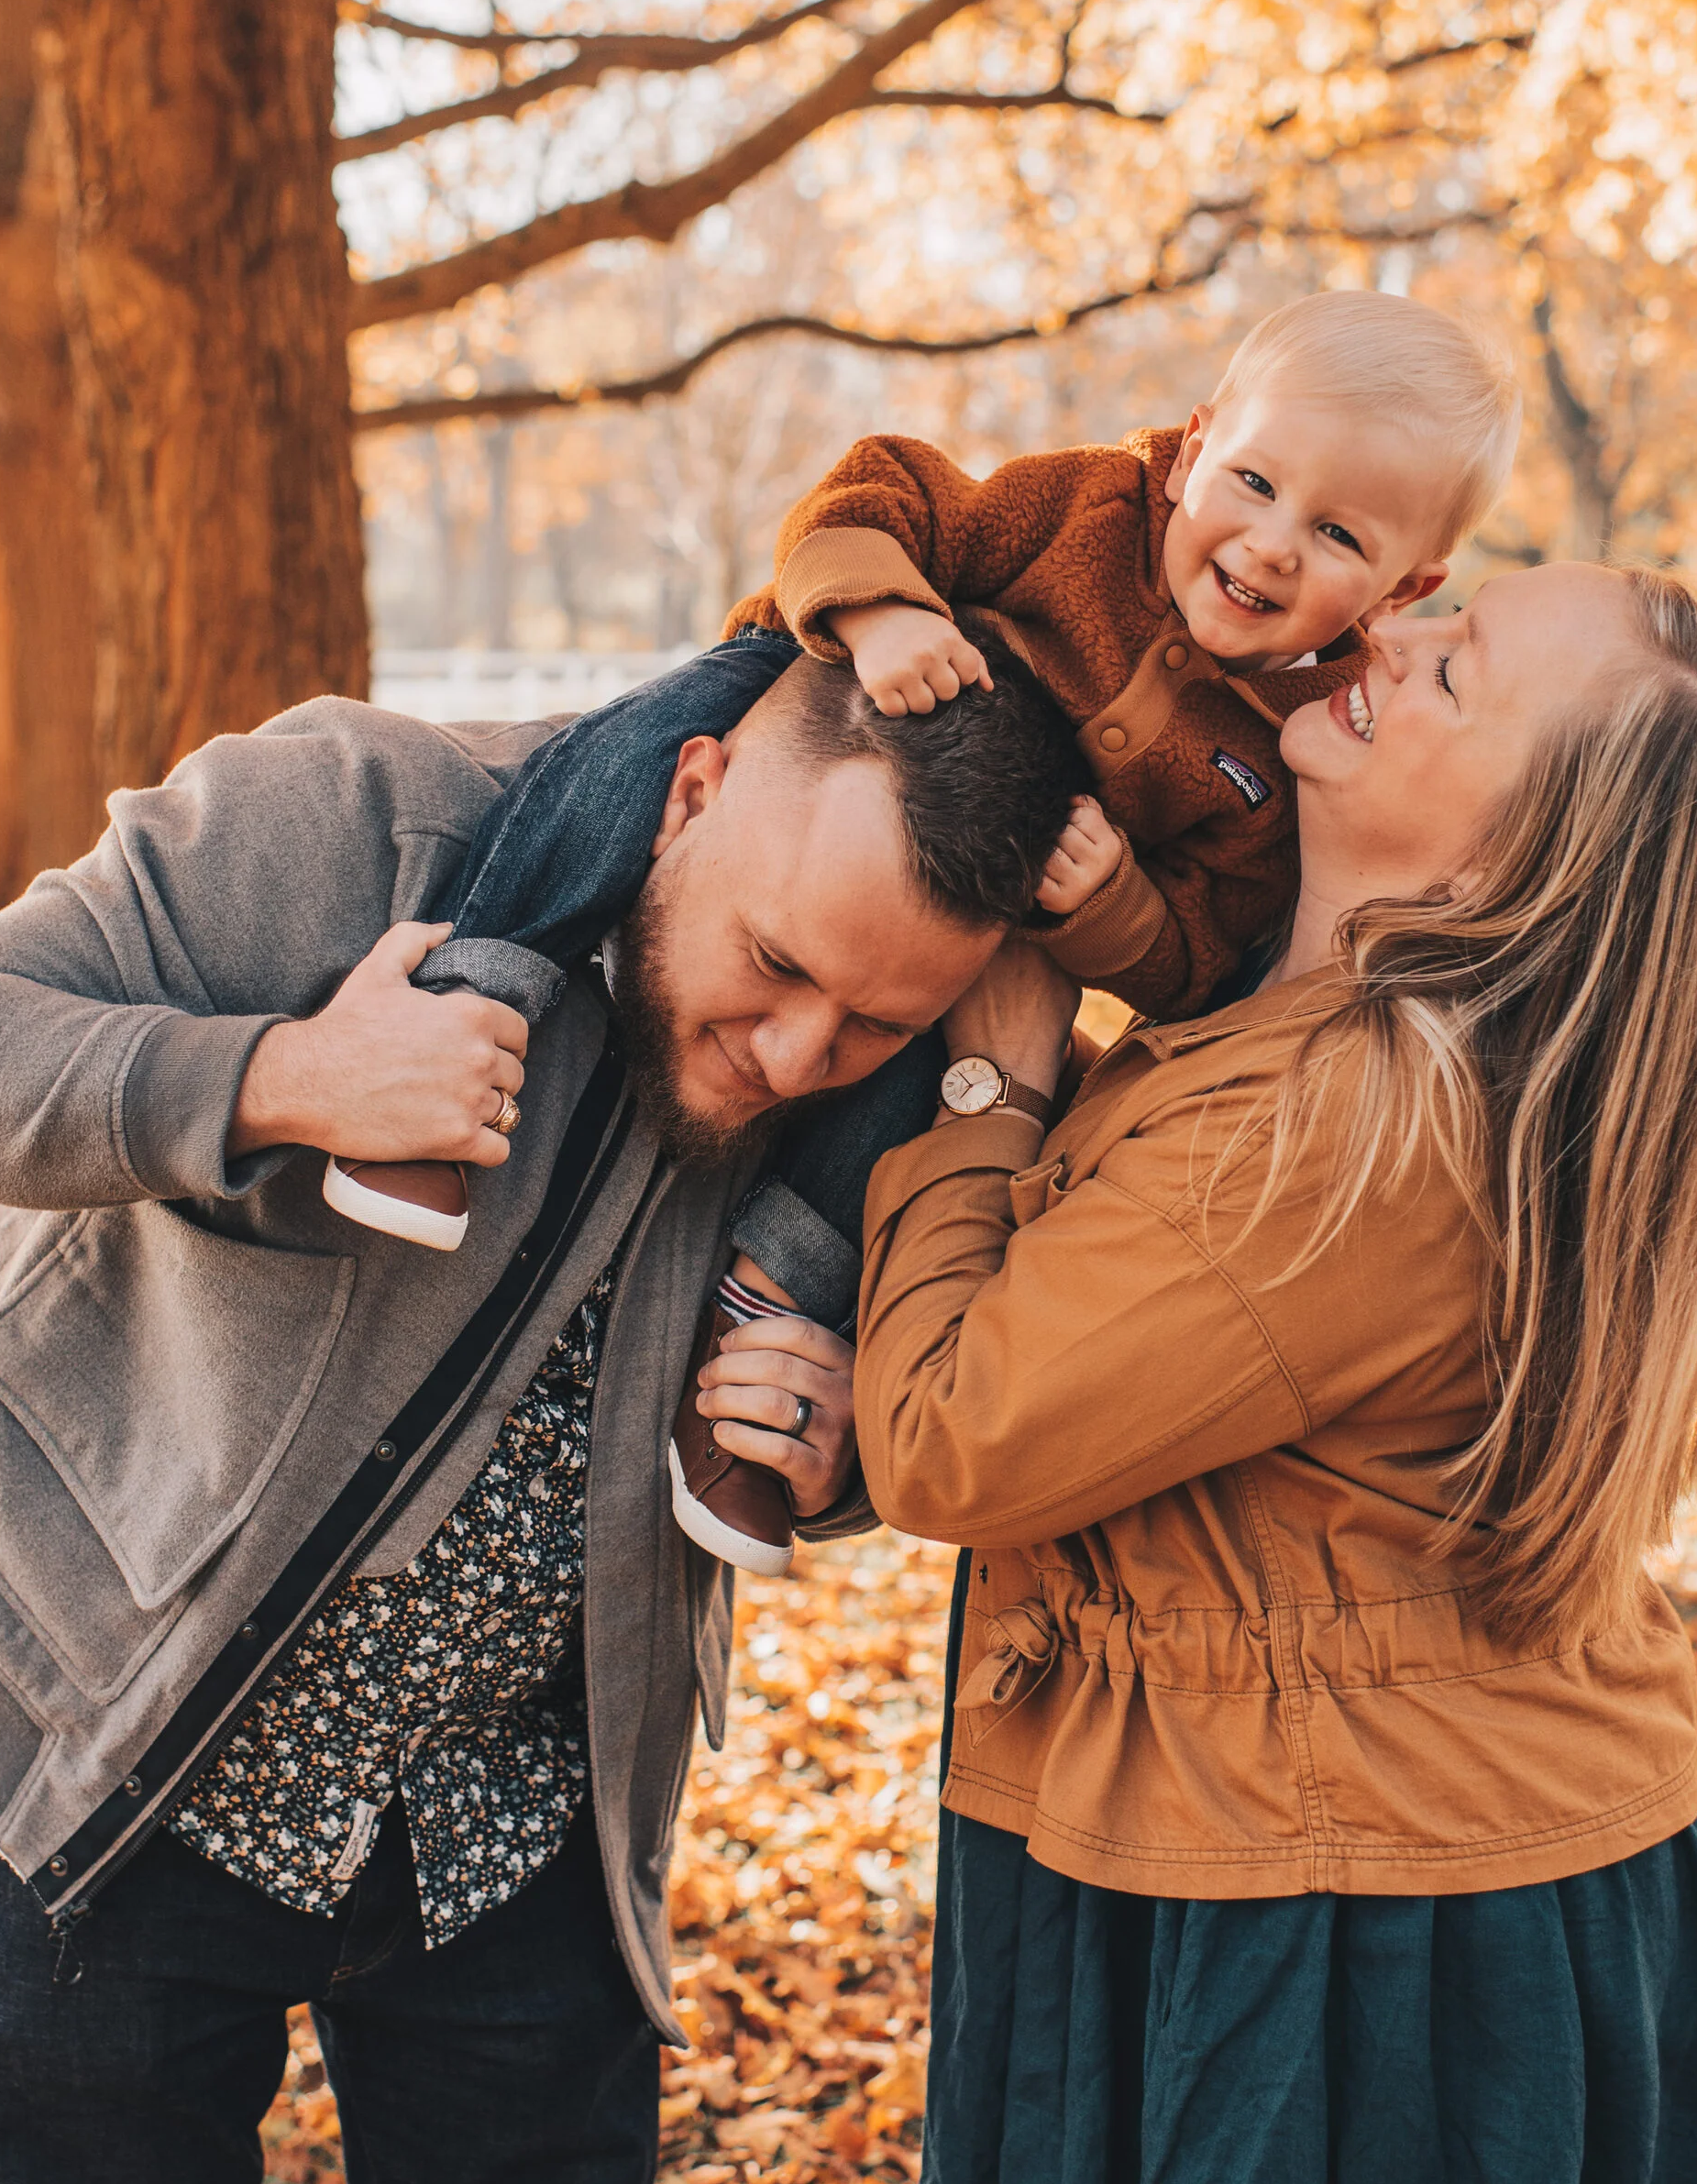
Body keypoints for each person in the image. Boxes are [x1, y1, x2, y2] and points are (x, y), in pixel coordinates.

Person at [0, 650, 1079, 2184]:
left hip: (508, 1815)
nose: (795, 1053)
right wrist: (280, 1072)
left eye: (869, 1027)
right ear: (692, 790)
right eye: (776, 969)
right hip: (116, 1750)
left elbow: (882, 1369)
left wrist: (846, 1441)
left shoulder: (884, 1055)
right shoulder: (359, 820)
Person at [851, 567, 1697, 2184]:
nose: (1385, 633)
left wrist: (992, 1095)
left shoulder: (1355, 1135)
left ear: (1500, 865)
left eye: (1453, 666)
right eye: (1443, 603)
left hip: (1394, 1935)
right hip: (1436, 1871)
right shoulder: (1344, 1049)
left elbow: (953, 1434)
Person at [327, 291, 1520, 1589]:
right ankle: (471, 996)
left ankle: (763, 1325)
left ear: (1405, 587)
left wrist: (1115, 908)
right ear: (1191, 448)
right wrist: (882, 610)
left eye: (1338, 533)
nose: (1274, 544)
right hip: (828, 717)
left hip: (969, 904)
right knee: (625, 765)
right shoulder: (1082, 514)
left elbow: (1193, 956)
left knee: (892, 1084)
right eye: (1254, 481)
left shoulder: (1275, 747)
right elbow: (877, 491)